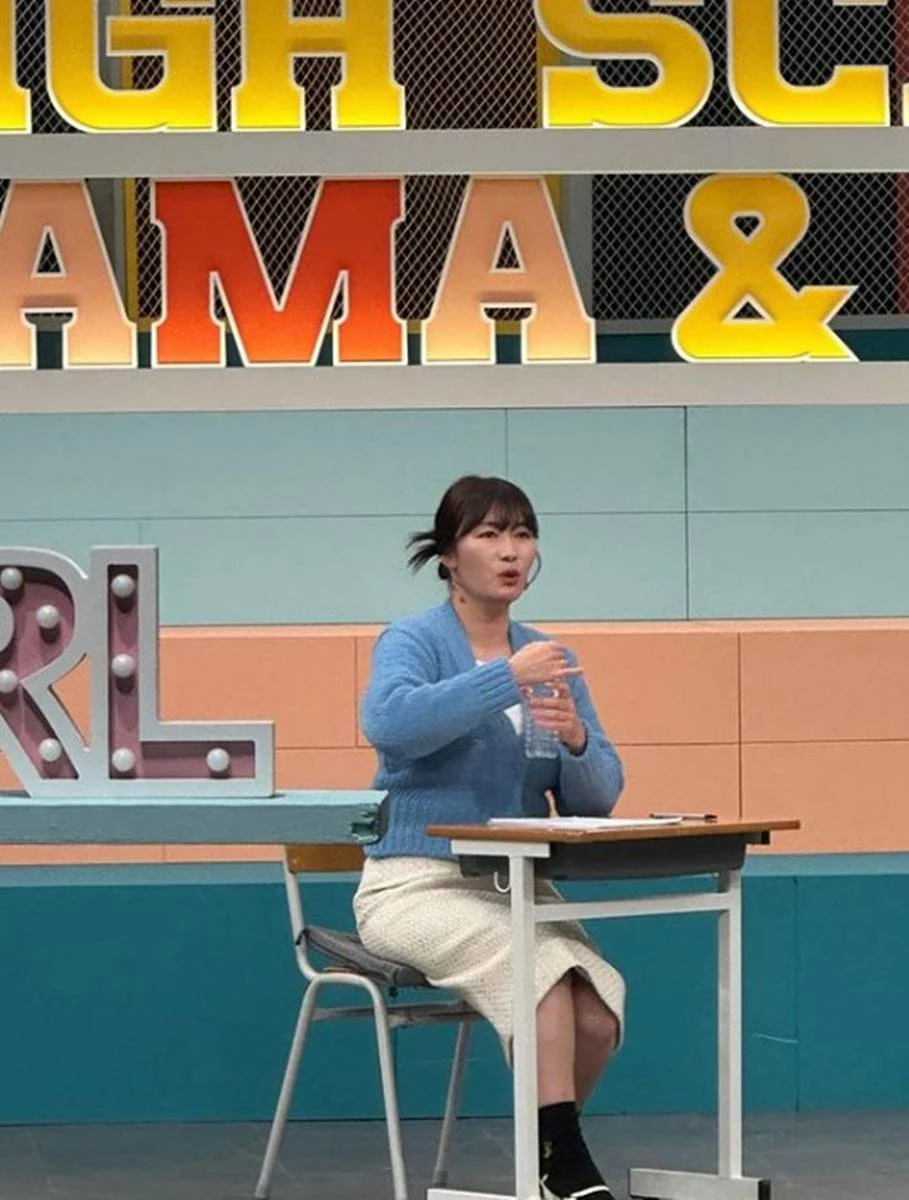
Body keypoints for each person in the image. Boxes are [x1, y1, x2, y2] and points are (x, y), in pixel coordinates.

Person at [354, 474, 626, 1200]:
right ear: (448, 555)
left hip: (516, 885)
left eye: (523, 534)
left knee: (597, 1010)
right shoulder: (415, 640)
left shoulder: (548, 655)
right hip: (413, 884)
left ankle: (545, 1157)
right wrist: (506, 679)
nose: (511, 552)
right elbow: (390, 724)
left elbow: (597, 798)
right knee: (543, 972)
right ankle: (564, 1172)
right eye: (489, 534)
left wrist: (576, 741)